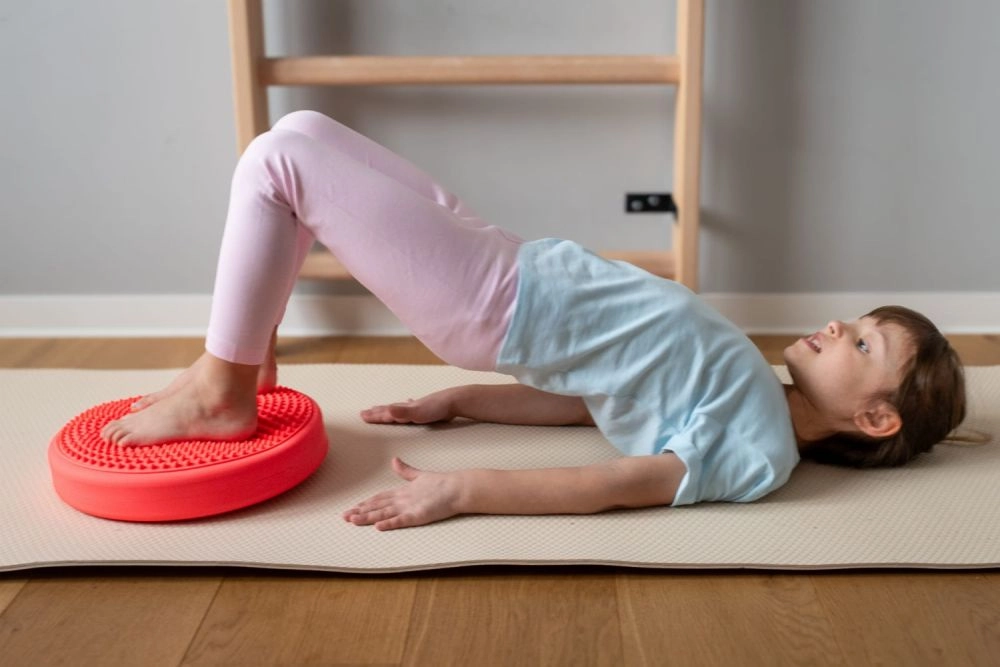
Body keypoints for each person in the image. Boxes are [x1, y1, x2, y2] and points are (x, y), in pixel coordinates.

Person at [100, 110, 968, 531]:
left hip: (496, 298)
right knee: (301, 130)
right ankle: (242, 357)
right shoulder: (754, 397)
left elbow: (617, 482)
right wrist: (462, 402)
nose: (837, 325)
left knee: (278, 162)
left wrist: (461, 491)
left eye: (863, 341)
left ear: (875, 417)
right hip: (509, 263)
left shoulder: (760, 451)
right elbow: (597, 399)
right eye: (853, 320)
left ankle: (224, 387)